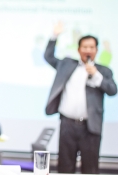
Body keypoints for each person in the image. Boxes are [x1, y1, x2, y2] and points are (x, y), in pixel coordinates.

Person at [44, 22, 117, 174]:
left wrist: (96, 75)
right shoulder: (66, 64)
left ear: (96, 50)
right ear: (79, 49)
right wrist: (54, 36)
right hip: (67, 124)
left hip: (90, 127)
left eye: (91, 47)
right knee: (65, 167)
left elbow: (112, 90)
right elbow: (48, 56)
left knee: (90, 169)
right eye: (85, 47)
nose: (88, 50)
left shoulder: (103, 70)